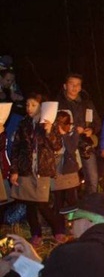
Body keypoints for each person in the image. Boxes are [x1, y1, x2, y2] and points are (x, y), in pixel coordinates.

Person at [9, 93, 65, 246]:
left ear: (41, 106)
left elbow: (57, 146)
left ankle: (58, 229)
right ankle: (36, 233)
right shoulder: (23, 124)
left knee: (42, 203)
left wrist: (48, 131)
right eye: (27, 105)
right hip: (26, 170)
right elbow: (16, 148)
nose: (29, 108)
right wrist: (14, 170)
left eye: (33, 105)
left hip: (43, 170)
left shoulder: (48, 123)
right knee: (30, 205)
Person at [56, 73, 102, 194]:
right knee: (69, 180)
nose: (75, 87)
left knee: (92, 177)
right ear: (65, 86)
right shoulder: (58, 104)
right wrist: (71, 129)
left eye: (78, 85)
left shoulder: (87, 103)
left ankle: (91, 205)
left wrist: (91, 130)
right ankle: (72, 206)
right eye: (72, 84)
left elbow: (97, 122)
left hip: (85, 143)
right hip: (66, 146)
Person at [51, 110, 81, 238]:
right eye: (58, 122)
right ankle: (60, 229)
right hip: (56, 170)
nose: (60, 125)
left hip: (69, 171)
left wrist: (64, 135)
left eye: (63, 123)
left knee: (72, 200)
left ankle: (77, 226)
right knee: (58, 201)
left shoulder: (73, 133)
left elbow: (71, 148)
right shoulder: (52, 134)